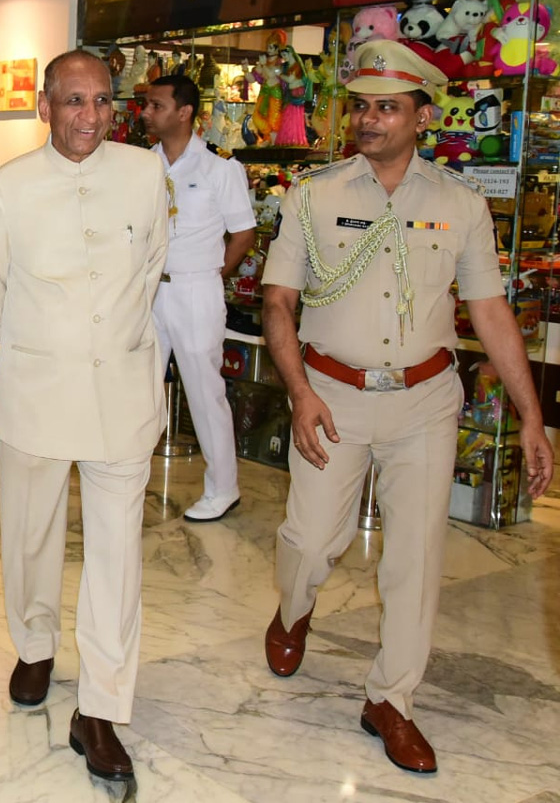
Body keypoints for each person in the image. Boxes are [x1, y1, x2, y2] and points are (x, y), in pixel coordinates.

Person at [260, 40, 552, 774]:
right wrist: (298, 393)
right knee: (309, 542)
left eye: (386, 107)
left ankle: (392, 699)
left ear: (423, 114)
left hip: (425, 400)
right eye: (360, 105)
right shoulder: (312, 195)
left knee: (416, 561)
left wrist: (530, 414)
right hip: (329, 396)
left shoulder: (460, 204)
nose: (368, 119)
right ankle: (293, 610)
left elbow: (489, 312)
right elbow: (278, 302)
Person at [0, 49, 168, 782]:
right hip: (37, 394)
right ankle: (34, 644)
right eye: (75, 102)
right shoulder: (13, 188)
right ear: (46, 107)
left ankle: (102, 707)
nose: (91, 117)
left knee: (118, 556)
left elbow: (151, 264)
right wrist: (43, 345)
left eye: (103, 102)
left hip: (122, 393)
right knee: (30, 535)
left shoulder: (144, 173)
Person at [140, 74, 256, 522]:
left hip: (195, 289)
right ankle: (129, 477)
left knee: (205, 393)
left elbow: (244, 233)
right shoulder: (144, 163)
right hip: (151, 290)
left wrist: (213, 273)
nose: (147, 112)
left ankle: (223, 488)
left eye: (156, 105)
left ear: (184, 112)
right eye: (147, 105)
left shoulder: (219, 167)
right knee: (139, 386)